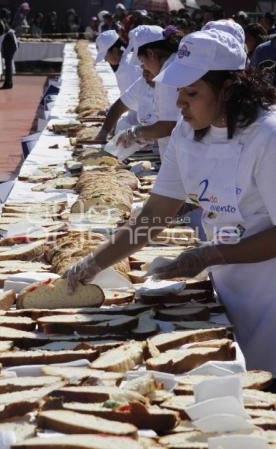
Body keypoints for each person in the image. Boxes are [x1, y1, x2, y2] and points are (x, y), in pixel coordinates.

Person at [65, 27, 276, 377]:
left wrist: (209, 254)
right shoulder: (186, 132)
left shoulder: (267, 137)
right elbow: (155, 213)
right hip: (225, 283)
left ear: (229, 89)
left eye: (191, 92)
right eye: (179, 91)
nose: (180, 103)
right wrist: (93, 262)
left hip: (270, 289)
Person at [116, 24, 182, 159]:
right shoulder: (170, 67)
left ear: (151, 54)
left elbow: (168, 125)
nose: (142, 66)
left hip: (178, 153)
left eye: (142, 60)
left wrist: (136, 132)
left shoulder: (168, 73)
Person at [96, 68, 157, 149]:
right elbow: (120, 106)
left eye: (147, 70)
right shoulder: (144, 81)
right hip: (147, 143)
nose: (144, 73)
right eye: (143, 69)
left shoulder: (170, 86)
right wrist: (104, 132)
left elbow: (167, 125)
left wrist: (136, 133)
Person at [95, 29, 141, 95]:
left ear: (115, 50)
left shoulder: (128, 67)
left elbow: (133, 98)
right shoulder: (124, 63)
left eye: (106, 56)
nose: (105, 60)